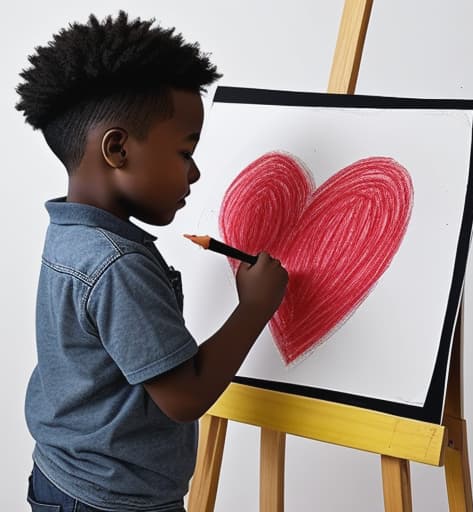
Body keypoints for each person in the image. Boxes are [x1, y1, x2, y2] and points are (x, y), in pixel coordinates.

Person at [16, 11, 288, 512]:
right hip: (109, 500)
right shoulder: (116, 265)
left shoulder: (69, 233)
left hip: (66, 475)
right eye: (186, 152)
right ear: (117, 148)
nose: (197, 171)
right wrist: (256, 307)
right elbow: (184, 398)